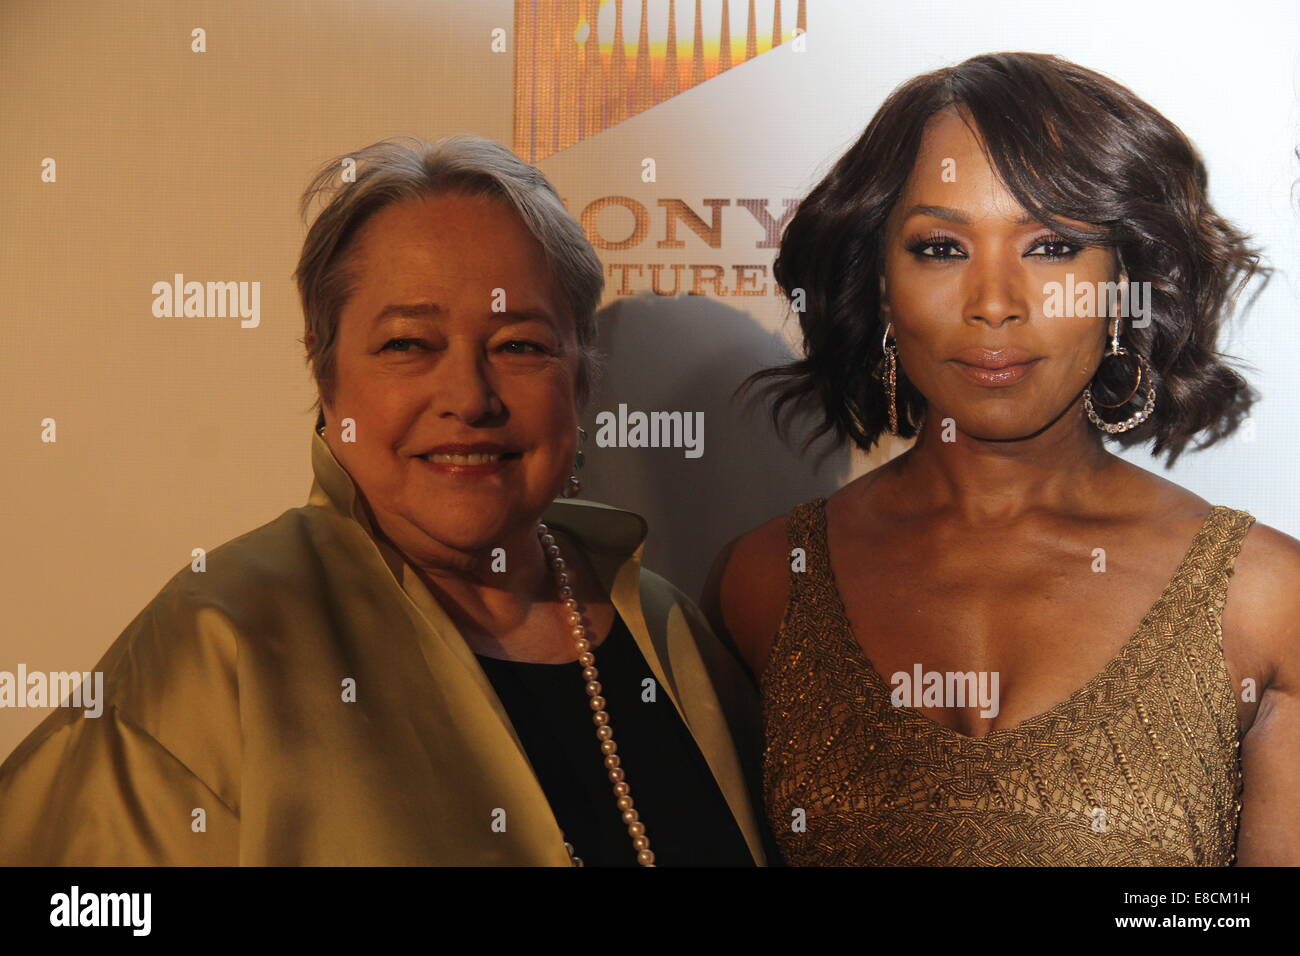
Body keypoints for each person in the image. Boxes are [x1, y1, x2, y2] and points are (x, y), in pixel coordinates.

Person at [0, 135, 768, 866]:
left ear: (579, 378)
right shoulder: (223, 636)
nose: (468, 397)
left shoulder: (669, 629)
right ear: (325, 372)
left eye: (520, 346)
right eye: (408, 344)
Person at [703, 53, 1299, 866]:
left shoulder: (1262, 600)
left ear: (1121, 286)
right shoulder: (766, 583)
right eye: (941, 248)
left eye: (1052, 246)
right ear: (880, 285)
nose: (994, 303)